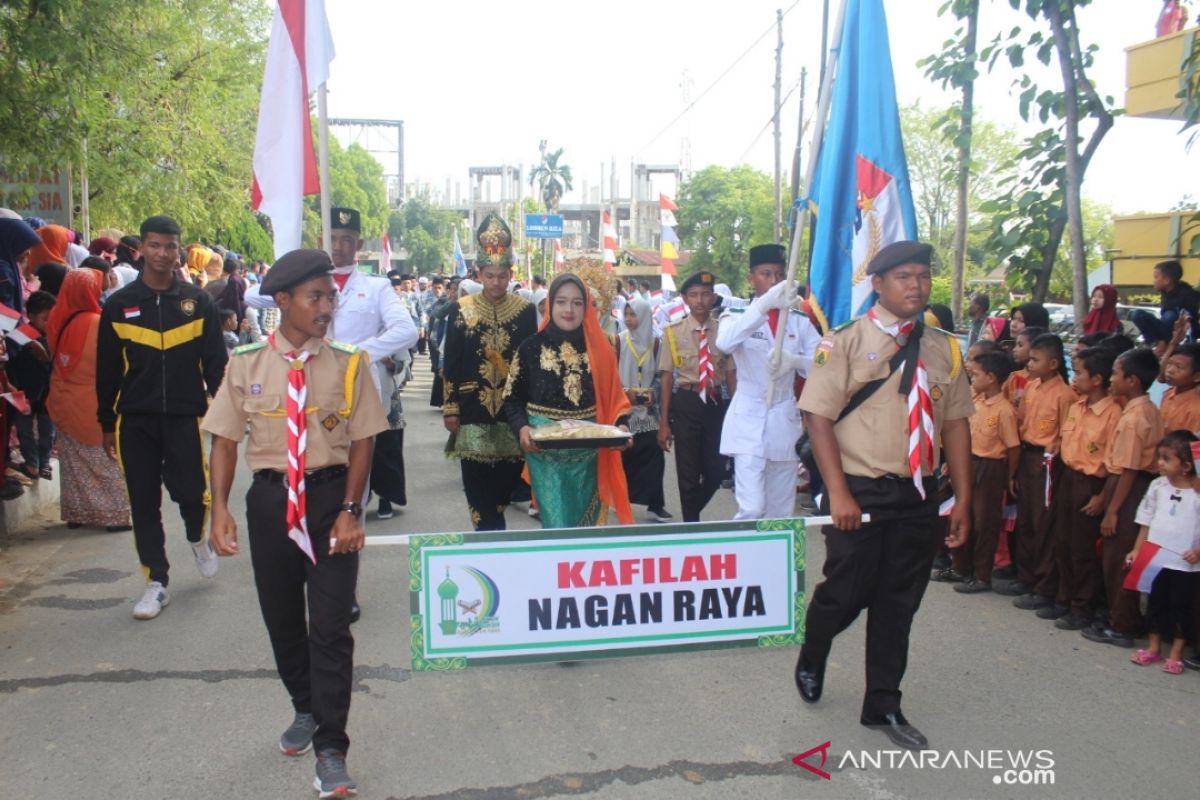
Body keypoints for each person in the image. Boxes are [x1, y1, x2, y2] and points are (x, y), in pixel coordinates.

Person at [203, 249, 388, 800]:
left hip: (332, 502)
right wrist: (219, 509)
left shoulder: (350, 363)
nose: (327, 306)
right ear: (282, 301)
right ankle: (305, 707)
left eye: (331, 295)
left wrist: (353, 510)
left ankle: (332, 748)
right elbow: (225, 441)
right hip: (270, 503)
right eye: (316, 296)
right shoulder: (247, 364)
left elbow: (363, 440)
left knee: (330, 628)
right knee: (282, 620)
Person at [795, 240, 973, 751]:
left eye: (922, 276)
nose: (916, 285)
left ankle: (883, 704)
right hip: (860, 489)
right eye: (903, 277)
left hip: (918, 492)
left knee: (899, 603)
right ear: (878, 284)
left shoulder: (944, 347)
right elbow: (818, 418)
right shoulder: (845, 341)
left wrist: (961, 498)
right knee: (846, 593)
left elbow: (956, 425)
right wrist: (839, 493)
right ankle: (816, 646)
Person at [96, 215, 227, 620]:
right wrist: (105, 423)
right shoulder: (119, 305)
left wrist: (225, 415)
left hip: (185, 417)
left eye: (170, 246)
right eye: (154, 245)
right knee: (143, 501)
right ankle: (156, 581)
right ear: (142, 250)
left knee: (193, 493)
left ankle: (195, 536)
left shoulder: (197, 302)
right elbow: (106, 369)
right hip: (134, 420)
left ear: (179, 251)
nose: (162, 253)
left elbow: (216, 365)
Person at [504, 274, 634, 528]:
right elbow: (512, 398)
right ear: (550, 304)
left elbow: (614, 397)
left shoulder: (602, 348)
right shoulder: (530, 347)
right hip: (545, 453)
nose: (569, 309)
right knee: (558, 525)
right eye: (562, 301)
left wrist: (622, 427)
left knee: (589, 532)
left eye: (577, 303)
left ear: (586, 307)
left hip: (592, 450)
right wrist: (523, 429)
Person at [441, 213, 537, 530]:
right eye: (490, 275)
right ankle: (488, 536)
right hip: (472, 411)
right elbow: (451, 362)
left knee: (502, 490)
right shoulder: (462, 309)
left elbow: (529, 362)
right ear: (479, 273)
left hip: (511, 414)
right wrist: (450, 408)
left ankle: (495, 534)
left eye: (502, 276)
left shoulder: (525, 311)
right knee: (477, 488)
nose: (496, 282)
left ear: (511, 274)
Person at [716, 244, 819, 521]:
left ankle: (777, 565)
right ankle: (745, 561)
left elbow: (825, 365)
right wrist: (764, 304)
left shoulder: (798, 321)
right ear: (751, 279)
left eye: (778, 274)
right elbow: (724, 342)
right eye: (765, 274)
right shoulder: (736, 316)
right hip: (748, 418)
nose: (773, 281)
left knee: (780, 512)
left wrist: (795, 362)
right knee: (751, 508)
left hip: (783, 418)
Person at [1083, 348, 1164, 647]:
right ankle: (1121, 616)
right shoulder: (1140, 408)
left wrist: (1112, 510)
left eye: (1116, 374)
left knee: (1119, 558)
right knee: (1115, 556)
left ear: (1132, 380)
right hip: (1129, 484)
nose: (1112, 380)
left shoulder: (1135, 417)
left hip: (1129, 488)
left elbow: (1128, 469)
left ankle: (1123, 625)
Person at [46, 269, 133, 531]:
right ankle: (114, 516)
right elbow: (110, 364)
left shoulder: (55, 318)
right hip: (92, 399)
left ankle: (77, 514)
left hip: (62, 397)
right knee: (105, 458)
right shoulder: (98, 322)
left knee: (73, 462)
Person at [997, 333, 1075, 612]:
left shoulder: (1065, 395)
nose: (1029, 364)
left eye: (1035, 359)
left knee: (1044, 525)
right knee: (1026, 520)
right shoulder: (1031, 387)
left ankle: (1044, 586)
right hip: (1027, 455)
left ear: (1053, 363)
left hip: (1047, 462)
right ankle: (1026, 577)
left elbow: (1067, 433)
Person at [1048, 347, 1122, 629]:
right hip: (1068, 476)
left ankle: (1082, 607)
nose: (1075, 378)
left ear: (1098, 379)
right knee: (1063, 541)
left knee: (1083, 549)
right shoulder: (1076, 406)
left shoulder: (1113, 414)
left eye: (1080, 373)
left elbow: (1114, 461)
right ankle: (1065, 598)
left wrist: (1103, 496)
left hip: (1091, 484)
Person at [657, 271, 731, 522]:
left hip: (714, 403)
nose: (700, 300)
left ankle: (691, 513)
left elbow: (731, 375)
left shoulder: (725, 331)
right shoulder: (672, 332)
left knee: (717, 470)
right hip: (686, 402)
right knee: (687, 473)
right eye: (694, 295)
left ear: (713, 298)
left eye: (705, 295)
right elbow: (666, 378)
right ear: (684, 299)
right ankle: (691, 526)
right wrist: (664, 424)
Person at [1126, 431, 1200, 674]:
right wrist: (1138, 549)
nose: (1159, 463)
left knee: (1181, 606)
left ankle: (1176, 653)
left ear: (1187, 466)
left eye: (1166, 459)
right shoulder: (1157, 485)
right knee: (1155, 602)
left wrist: (1198, 551)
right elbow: (1145, 521)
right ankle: (1153, 647)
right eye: (1160, 457)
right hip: (1155, 557)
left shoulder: (1197, 493)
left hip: (1185, 561)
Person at [950, 350, 1020, 593]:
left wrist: (1010, 476)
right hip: (969, 461)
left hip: (990, 467)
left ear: (991, 377)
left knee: (984, 521)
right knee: (963, 513)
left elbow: (1013, 447)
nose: (973, 377)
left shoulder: (1005, 410)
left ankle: (982, 575)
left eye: (977, 374)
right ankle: (961, 568)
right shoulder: (975, 401)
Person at [617, 298, 672, 522]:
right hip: (624, 410)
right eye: (627, 315)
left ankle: (655, 505)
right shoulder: (619, 342)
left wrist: (654, 393)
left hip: (648, 413)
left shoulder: (656, 343)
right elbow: (610, 376)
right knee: (623, 456)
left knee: (654, 456)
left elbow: (664, 376)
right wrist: (625, 392)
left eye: (634, 315)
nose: (630, 320)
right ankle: (619, 500)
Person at [7, 290, 55, 480]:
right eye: (45, 318)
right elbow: (12, 365)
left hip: (47, 394)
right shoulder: (19, 336)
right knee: (24, 430)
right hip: (23, 392)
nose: (49, 322)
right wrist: (16, 390)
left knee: (47, 432)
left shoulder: (54, 335)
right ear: (31, 316)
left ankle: (43, 463)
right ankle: (32, 464)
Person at [1130, 260, 1200, 350]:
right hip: (1166, 332)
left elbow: (1192, 320)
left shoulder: (1188, 295)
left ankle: (1161, 342)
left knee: (1170, 315)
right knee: (1137, 314)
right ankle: (1156, 342)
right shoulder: (1165, 293)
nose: (1153, 281)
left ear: (1167, 280)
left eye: (1156, 277)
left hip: (1183, 334)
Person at [1159, 342, 1200, 434]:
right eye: (1169, 364)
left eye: (1179, 367)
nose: (1170, 370)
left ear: (1197, 377)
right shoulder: (1168, 394)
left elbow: (1192, 444)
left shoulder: (1196, 409)